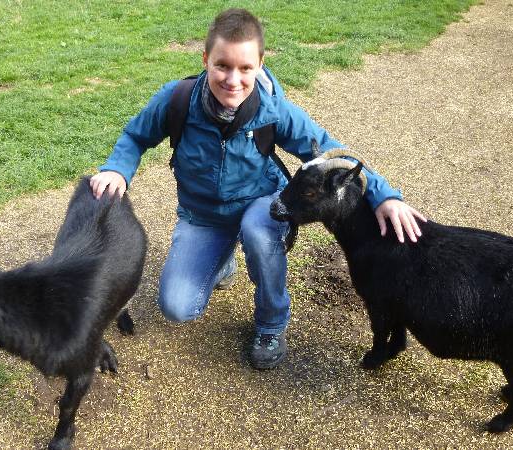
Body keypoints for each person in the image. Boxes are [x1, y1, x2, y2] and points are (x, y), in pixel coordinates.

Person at [90, 8, 426, 370]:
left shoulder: (274, 110)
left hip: (261, 204)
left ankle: (271, 323)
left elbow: (335, 155)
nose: (233, 79)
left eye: (245, 68)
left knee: (257, 230)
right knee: (177, 306)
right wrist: (117, 170)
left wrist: (384, 195)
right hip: (204, 216)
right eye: (222, 65)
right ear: (205, 60)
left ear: (260, 65)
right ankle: (221, 261)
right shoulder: (178, 100)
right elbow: (136, 135)